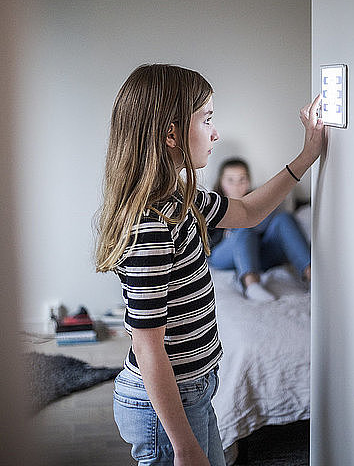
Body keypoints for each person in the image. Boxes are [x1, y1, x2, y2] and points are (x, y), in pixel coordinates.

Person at [95, 63, 324, 466]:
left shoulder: (184, 199)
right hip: (166, 409)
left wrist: (306, 156)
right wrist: (183, 445)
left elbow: (250, 210)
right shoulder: (151, 225)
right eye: (207, 119)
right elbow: (147, 346)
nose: (215, 132)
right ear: (170, 134)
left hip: (193, 391)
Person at [209, 158, 311, 303]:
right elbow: (206, 240)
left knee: (283, 218)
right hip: (223, 253)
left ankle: (311, 275)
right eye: (230, 180)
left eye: (242, 179)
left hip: (257, 251)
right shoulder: (213, 202)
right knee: (243, 229)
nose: (237, 185)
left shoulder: (257, 199)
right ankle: (251, 284)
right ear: (221, 182)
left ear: (249, 181)